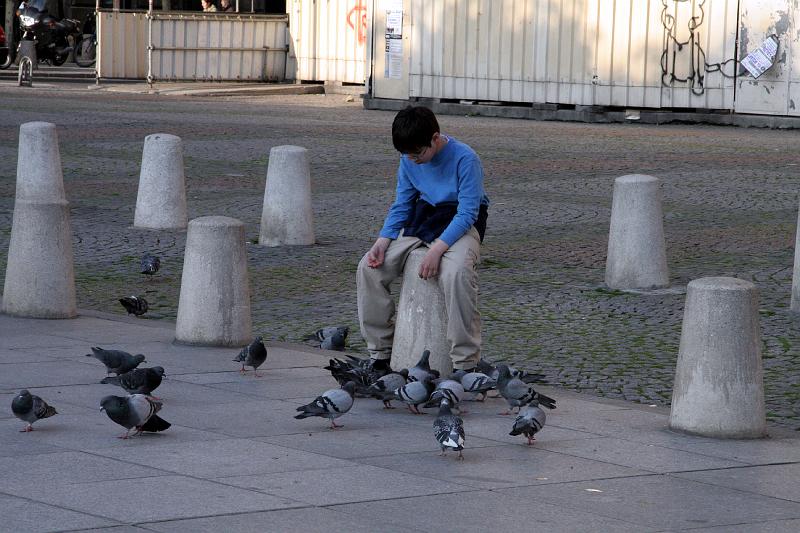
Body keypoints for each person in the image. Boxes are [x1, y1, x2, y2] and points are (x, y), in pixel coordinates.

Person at [357, 106, 489, 373]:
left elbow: (468, 213)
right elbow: (402, 203)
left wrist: (437, 250)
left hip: (462, 222)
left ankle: (466, 364)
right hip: (424, 217)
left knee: (457, 273)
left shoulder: (466, 158)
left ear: (435, 138)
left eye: (418, 153)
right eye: (407, 154)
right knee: (368, 269)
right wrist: (383, 241)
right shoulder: (408, 157)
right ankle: (380, 354)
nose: (413, 159)